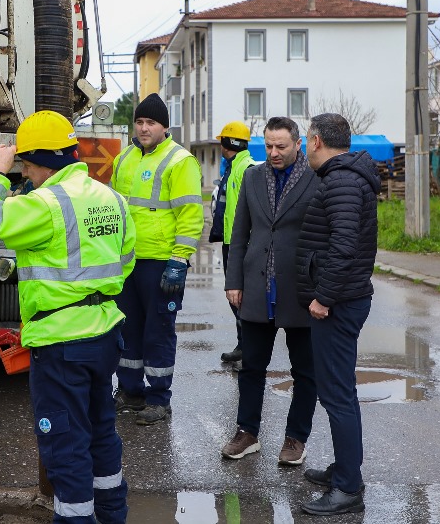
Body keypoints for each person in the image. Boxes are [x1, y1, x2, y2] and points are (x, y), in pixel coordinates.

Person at [0, 110, 135, 524]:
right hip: (105, 332)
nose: (24, 172)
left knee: (65, 445)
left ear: (40, 160)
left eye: (25, 164)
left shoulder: (44, 204)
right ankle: (113, 515)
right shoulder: (110, 197)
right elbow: (126, 259)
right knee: (101, 435)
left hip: (62, 343)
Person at [295, 112, 380, 516]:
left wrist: (324, 297)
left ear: (314, 141)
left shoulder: (342, 180)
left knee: (337, 395)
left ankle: (348, 488)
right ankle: (344, 470)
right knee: (338, 391)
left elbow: (345, 244)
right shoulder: (343, 176)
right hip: (344, 299)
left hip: (339, 304)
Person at [220, 117, 319, 466]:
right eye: (268, 146)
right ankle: (247, 433)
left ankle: (296, 438)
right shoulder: (252, 176)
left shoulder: (315, 177)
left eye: (281, 146)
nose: (274, 153)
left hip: (301, 289)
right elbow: (239, 231)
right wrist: (234, 280)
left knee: (305, 371)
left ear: (297, 145)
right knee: (252, 367)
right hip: (257, 285)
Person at [110, 93, 203, 425]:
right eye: (139, 122)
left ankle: (159, 399)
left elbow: (191, 215)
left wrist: (179, 259)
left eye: (150, 122)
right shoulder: (124, 159)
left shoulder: (180, 161)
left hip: (162, 263)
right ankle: (131, 392)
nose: (144, 128)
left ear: (165, 126)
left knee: (158, 331)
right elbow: (114, 210)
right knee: (127, 328)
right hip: (129, 261)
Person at [208, 121, 256, 363]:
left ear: (228, 143)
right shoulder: (234, 166)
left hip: (241, 243)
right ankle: (243, 345)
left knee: (241, 297)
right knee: (235, 297)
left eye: (222, 141)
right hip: (232, 242)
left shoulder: (246, 168)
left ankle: (249, 351)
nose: (220, 146)